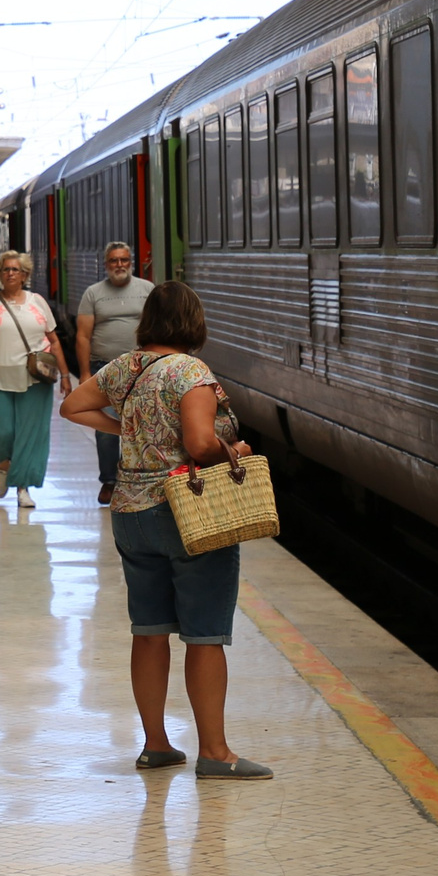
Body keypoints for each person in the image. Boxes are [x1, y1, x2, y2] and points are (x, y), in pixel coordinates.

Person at [59, 280, 272, 781]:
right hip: (186, 513)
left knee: (150, 631)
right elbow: (199, 445)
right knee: (204, 635)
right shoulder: (191, 372)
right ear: (193, 323)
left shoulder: (126, 367)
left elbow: (73, 407)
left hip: (131, 514)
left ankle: (156, 745)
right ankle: (215, 753)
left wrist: (127, 430)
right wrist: (236, 451)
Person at [0, 250, 69, 507]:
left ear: (24, 275)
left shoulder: (38, 302)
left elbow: (54, 340)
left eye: (15, 270)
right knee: (2, 431)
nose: (10, 273)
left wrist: (66, 375)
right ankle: (4, 465)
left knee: (29, 435)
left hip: (35, 378)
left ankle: (23, 488)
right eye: (5, 269)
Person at [74, 242, 155, 508]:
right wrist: (84, 373)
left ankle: (139, 481)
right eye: (114, 261)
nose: (119, 265)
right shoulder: (93, 293)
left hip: (141, 369)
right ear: (106, 264)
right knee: (106, 429)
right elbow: (83, 336)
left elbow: (157, 327)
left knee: (143, 426)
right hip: (105, 370)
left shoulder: (147, 290)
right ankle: (109, 481)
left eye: (124, 260)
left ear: (131, 262)